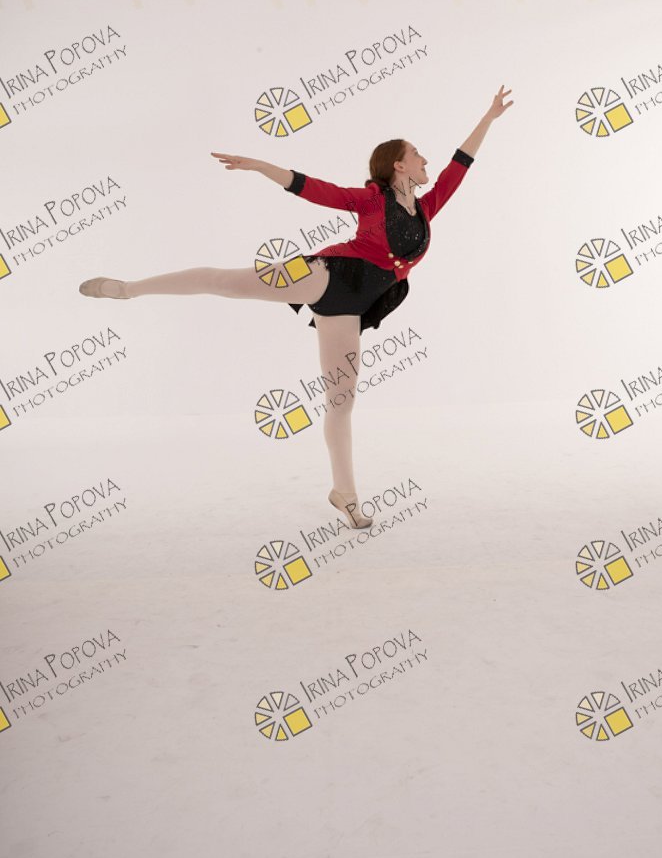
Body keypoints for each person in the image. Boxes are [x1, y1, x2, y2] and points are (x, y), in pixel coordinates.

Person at [79, 85, 514, 527]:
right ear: (398, 164)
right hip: (325, 275)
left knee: (341, 399)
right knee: (228, 282)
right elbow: (314, 190)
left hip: (350, 307)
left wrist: (489, 117)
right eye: (417, 154)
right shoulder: (370, 200)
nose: (426, 160)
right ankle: (129, 289)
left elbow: (460, 165)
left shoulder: (426, 208)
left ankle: (344, 494)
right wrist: (260, 166)